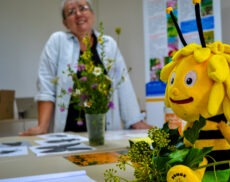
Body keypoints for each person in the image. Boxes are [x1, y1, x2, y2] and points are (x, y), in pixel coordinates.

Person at [20, 0, 152, 136]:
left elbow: (123, 84)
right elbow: (46, 86)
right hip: (68, 134)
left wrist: (135, 121)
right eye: (71, 12)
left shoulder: (109, 44)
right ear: (65, 23)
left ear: (92, 15)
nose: (78, 14)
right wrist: (42, 127)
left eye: (83, 8)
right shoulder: (57, 42)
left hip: (105, 134)